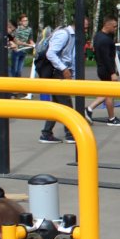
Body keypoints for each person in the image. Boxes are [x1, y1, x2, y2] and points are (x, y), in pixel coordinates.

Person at [37, 15, 81, 144]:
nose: (86, 27)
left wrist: (72, 72)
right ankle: (70, 133)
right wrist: (64, 69)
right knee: (67, 105)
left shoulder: (73, 36)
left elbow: (71, 55)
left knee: (58, 105)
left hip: (62, 72)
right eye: (85, 24)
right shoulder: (64, 34)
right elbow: (50, 53)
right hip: (58, 73)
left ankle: (46, 133)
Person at [9, 14, 34, 78]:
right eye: (24, 21)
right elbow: (17, 41)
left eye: (27, 20)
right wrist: (28, 44)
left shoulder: (30, 30)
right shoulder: (17, 29)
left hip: (24, 52)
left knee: (19, 71)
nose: (26, 22)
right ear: (20, 22)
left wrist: (34, 44)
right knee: (15, 70)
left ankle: (18, 85)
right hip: (16, 51)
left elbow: (30, 40)